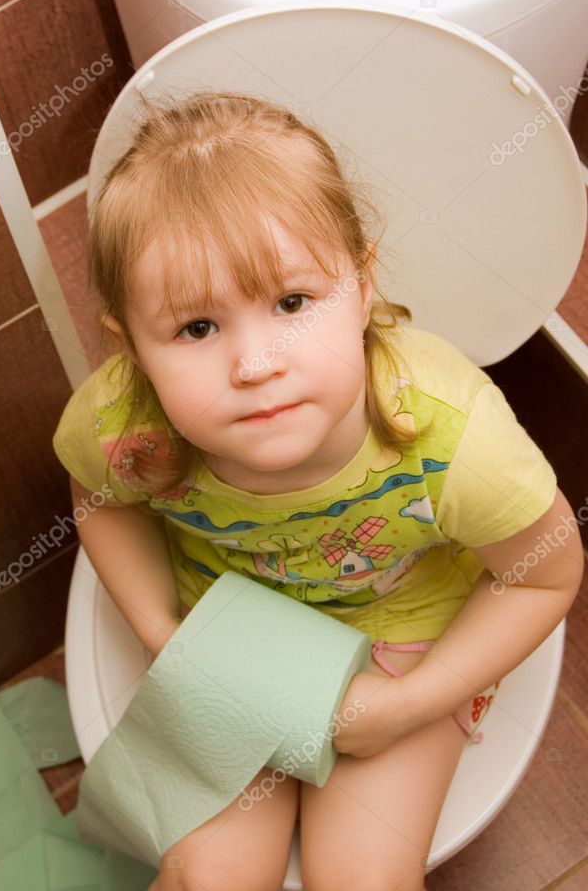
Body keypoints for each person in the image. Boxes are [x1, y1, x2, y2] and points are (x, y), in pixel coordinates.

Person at [52, 90, 583, 891]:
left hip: (403, 638)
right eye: (197, 328)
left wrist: (408, 705)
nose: (255, 363)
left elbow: (544, 570)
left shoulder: (449, 437)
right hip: (229, 627)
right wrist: (166, 631)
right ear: (131, 349)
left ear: (362, 286)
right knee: (207, 879)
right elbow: (97, 495)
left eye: (293, 302)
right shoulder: (128, 421)